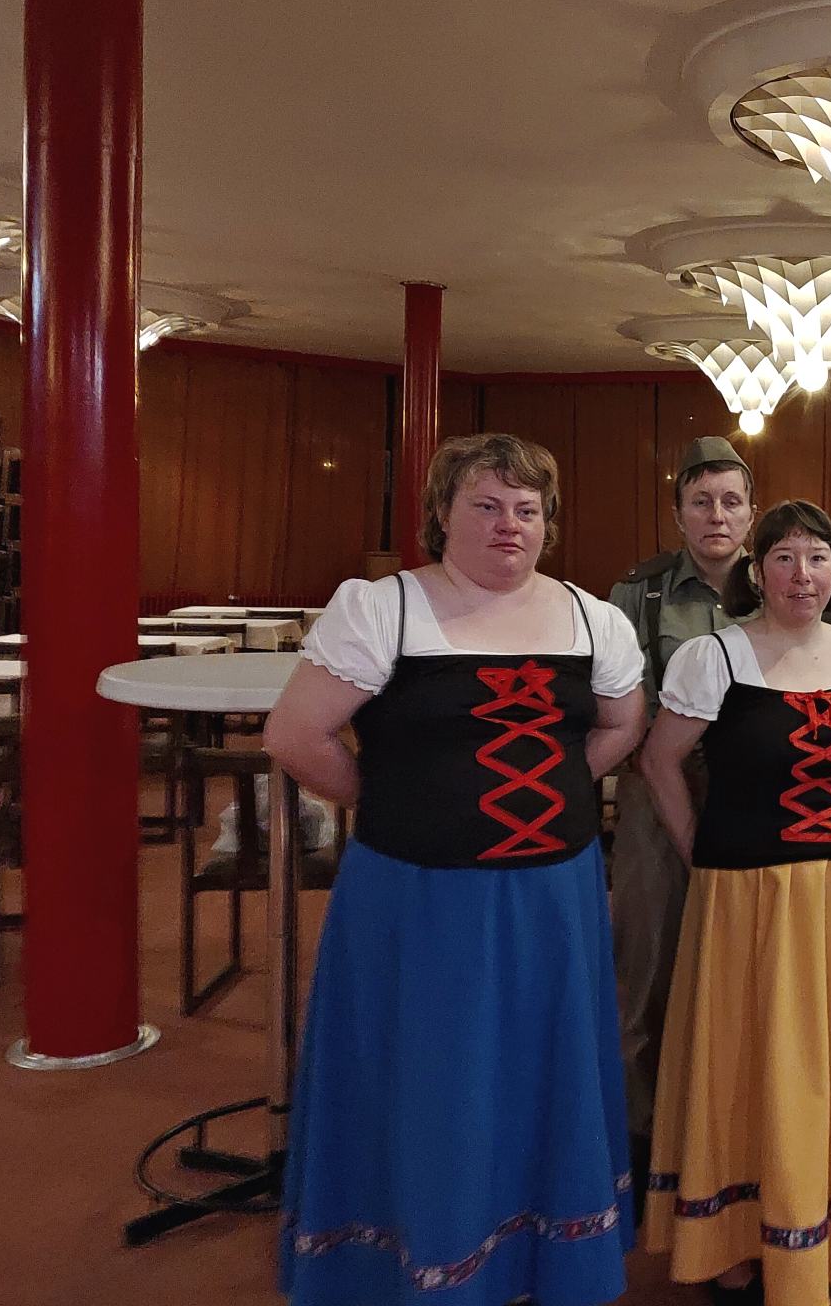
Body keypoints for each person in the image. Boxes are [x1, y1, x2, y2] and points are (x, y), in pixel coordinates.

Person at [268, 433, 646, 1305]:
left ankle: (539, 1257)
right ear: (441, 514)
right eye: (486, 505)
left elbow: (623, 722)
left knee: (541, 1079)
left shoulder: (595, 619)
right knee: (436, 1083)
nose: (509, 524)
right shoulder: (382, 608)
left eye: (527, 509)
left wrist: (554, 792)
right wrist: (398, 801)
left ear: (548, 522)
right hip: (417, 897)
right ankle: (421, 1261)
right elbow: (294, 734)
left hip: (553, 896)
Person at [639, 501, 831, 1304]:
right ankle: (733, 1236)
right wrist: (699, 848)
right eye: (785, 558)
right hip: (745, 894)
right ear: (756, 573)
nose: (803, 575)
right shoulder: (714, 656)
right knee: (746, 1062)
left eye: (818, 558)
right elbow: (659, 762)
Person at [607, 436, 756, 1206]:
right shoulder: (641, 593)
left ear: (752, 512)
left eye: (731, 501)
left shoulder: (782, 579)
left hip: (756, 788)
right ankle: (640, 1143)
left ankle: (735, 1131)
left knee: (752, 963)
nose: (717, 515)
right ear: (678, 514)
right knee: (650, 960)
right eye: (701, 502)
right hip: (658, 788)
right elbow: (621, 703)